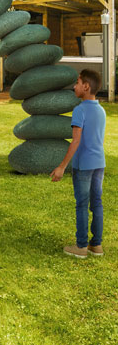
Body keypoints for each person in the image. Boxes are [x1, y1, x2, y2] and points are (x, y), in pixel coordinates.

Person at [50, 69, 106, 258]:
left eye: (77, 82)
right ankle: (96, 245)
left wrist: (61, 166)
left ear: (86, 86)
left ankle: (81, 246)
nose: (74, 86)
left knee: (82, 204)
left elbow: (76, 141)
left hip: (83, 165)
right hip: (99, 163)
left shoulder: (80, 110)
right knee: (96, 204)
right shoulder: (101, 110)